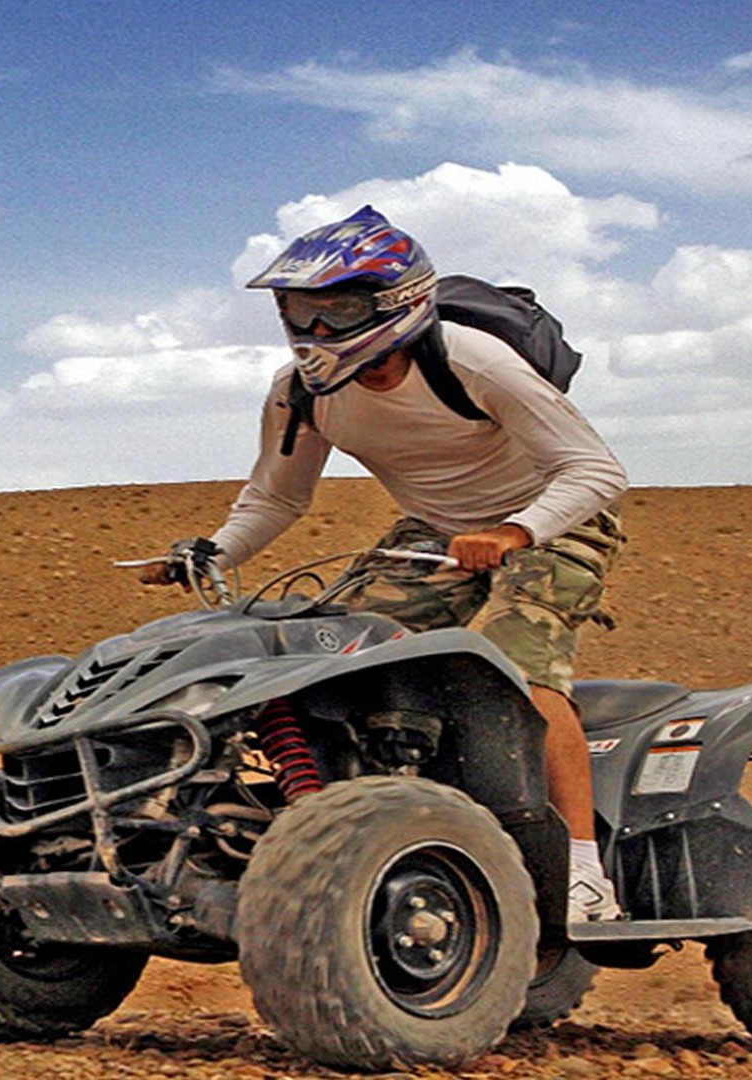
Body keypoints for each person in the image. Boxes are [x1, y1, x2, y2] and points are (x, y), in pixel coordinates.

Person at [143, 206, 629, 923]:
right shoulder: (301, 390)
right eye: (298, 313)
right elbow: (278, 497)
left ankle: (584, 874)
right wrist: (213, 550)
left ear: (396, 304)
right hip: (432, 534)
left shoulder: (473, 361)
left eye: (334, 310)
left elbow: (596, 470)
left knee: (517, 663)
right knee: (339, 656)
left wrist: (516, 531)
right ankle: (376, 822)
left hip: (552, 521)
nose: (314, 333)